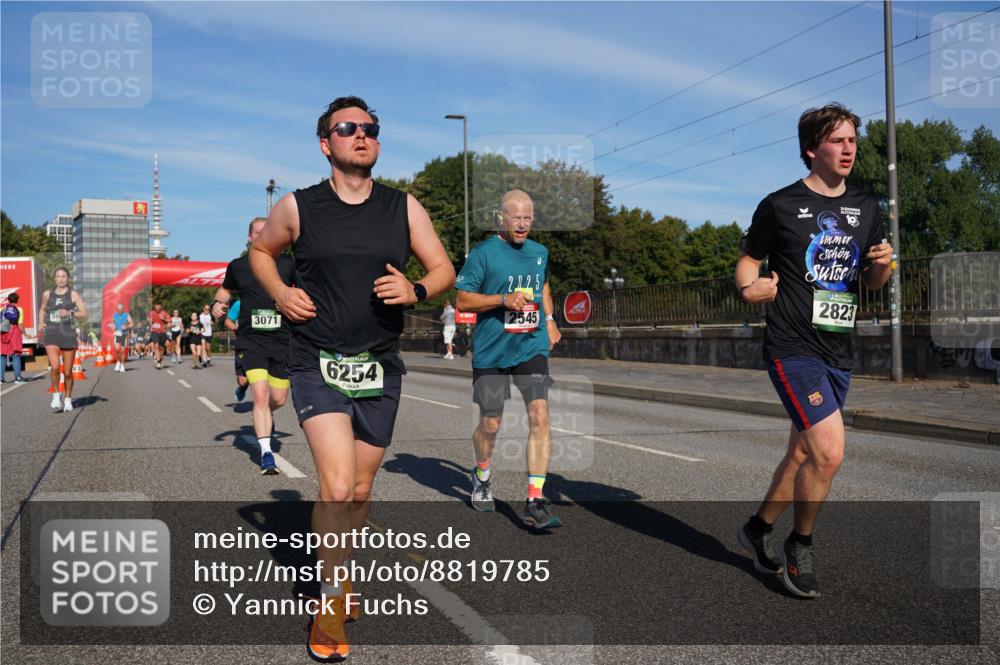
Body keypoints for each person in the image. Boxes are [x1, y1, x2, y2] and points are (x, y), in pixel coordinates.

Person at [249, 95, 454, 661]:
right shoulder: (299, 206)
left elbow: (443, 269)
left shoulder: (403, 207)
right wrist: (281, 292)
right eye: (347, 128)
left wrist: (416, 290)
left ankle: (341, 567)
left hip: (380, 364)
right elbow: (262, 251)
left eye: (370, 129)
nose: (360, 135)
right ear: (326, 143)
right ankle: (330, 597)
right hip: (317, 360)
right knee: (336, 488)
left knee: (361, 490)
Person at [735, 103, 893, 599]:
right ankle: (799, 546)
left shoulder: (868, 208)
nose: (849, 148)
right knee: (828, 452)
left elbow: (869, 281)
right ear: (812, 149)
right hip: (790, 345)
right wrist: (749, 288)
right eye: (838, 140)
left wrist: (885, 265)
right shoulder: (780, 205)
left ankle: (757, 529)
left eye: (852, 140)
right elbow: (747, 261)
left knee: (802, 451)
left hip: (837, 348)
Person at [456, 189, 562, 528]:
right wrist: (502, 299)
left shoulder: (539, 252)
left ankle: (534, 499)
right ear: (501, 218)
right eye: (515, 217)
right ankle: (482, 472)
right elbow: (463, 300)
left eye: (528, 217)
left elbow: (543, 286)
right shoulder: (484, 254)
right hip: (492, 351)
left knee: (540, 415)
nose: (522, 224)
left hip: (531, 345)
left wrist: (549, 320)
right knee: (491, 423)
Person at [212, 217, 296, 475]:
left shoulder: (289, 263)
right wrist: (217, 304)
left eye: (267, 231)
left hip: (283, 339)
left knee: (278, 399)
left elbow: (302, 290)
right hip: (252, 340)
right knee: (260, 394)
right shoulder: (238, 266)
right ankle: (267, 454)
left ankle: (264, 414)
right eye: (257, 232)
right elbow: (225, 292)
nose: (262, 235)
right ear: (250, 237)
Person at [38, 267, 88, 412]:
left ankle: (68, 398)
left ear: (68, 278)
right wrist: (41, 322)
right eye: (58, 276)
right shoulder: (47, 294)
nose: (60, 279)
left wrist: (70, 312)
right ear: (55, 279)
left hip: (68, 334)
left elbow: (84, 313)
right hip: (51, 334)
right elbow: (42, 308)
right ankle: (55, 394)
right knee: (54, 367)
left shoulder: (73, 294)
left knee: (67, 372)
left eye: (63, 276)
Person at [224, 299, 249, 401]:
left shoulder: (270, 300)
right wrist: (236, 328)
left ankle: (263, 410)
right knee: (243, 381)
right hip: (244, 345)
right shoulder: (240, 303)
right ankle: (242, 388)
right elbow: (227, 321)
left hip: (264, 345)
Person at [1, 293, 27, 384]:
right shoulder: (19, 309)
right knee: (16, 355)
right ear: (17, 300)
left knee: (3, 355)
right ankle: (18, 378)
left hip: (4, 332)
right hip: (14, 332)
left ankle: (1, 379)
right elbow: (20, 324)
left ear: (8, 300)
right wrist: (25, 334)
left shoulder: (2, 309)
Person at [108, 303, 133, 373]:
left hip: (124, 334)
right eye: (118, 309)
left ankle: (122, 365)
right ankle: (118, 361)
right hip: (117, 334)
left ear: (122, 309)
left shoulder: (126, 315)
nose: (119, 311)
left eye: (120, 309)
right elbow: (113, 323)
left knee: (122, 350)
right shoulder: (114, 315)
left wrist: (126, 326)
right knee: (117, 349)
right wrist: (113, 326)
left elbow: (131, 323)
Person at [148, 303, 170, 369]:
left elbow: (170, 320)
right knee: (156, 346)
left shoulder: (164, 313)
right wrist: (150, 322)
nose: (157, 307)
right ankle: (158, 362)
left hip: (162, 333)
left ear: (161, 307)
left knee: (161, 349)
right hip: (154, 332)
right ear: (154, 307)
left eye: (159, 306)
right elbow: (148, 319)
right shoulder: (151, 313)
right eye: (156, 306)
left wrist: (164, 319)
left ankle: (160, 361)